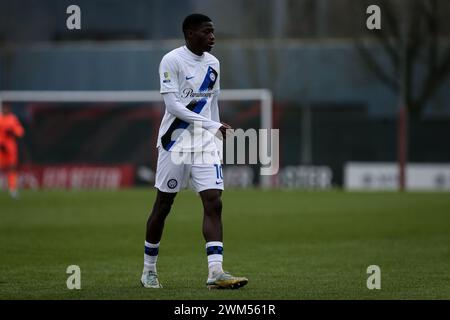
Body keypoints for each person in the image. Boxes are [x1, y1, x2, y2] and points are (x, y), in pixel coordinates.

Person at [140, 13, 248, 289]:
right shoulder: (172, 60)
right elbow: (174, 106)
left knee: (214, 201)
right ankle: (149, 270)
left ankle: (215, 272)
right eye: (206, 31)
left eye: (213, 32)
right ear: (190, 33)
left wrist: (214, 136)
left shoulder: (214, 63)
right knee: (163, 206)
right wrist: (213, 124)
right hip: (174, 143)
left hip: (203, 145)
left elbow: (213, 104)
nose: (213, 37)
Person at [0, 103, 24, 199]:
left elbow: (20, 132)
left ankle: (12, 190)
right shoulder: (0, 119)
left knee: (12, 168)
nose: (6, 109)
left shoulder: (13, 119)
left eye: (7, 107)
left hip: (10, 149)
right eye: (4, 107)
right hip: (1, 148)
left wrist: (13, 131)